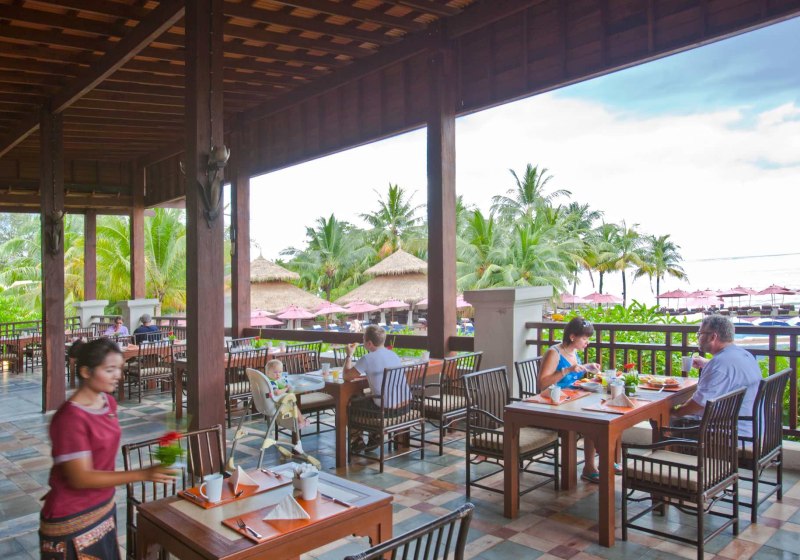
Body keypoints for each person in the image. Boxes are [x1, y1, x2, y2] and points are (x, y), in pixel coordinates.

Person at [40, 338, 174, 559]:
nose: (118, 376)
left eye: (119, 369)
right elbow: (81, 478)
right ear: (86, 372)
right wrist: (143, 474)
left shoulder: (107, 402)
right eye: (110, 370)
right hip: (73, 516)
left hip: (102, 506)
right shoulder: (70, 418)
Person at [538, 317, 614, 484]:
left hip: (573, 399)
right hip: (555, 404)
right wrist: (567, 370)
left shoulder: (573, 351)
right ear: (572, 337)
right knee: (593, 421)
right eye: (585, 338)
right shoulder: (554, 353)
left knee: (601, 414)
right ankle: (599, 462)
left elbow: (573, 373)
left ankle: (596, 464)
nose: (587, 342)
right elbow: (542, 383)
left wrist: (587, 367)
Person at [672, 314, 761, 437]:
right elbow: (729, 372)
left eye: (700, 334)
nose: (698, 338)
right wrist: (707, 364)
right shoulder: (743, 354)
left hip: (728, 434)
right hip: (750, 428)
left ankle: (665, 448)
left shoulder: (718, 365)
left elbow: (697, 404)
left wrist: (675, 413)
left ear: (713, 337)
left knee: (668, 421)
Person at [343, 325, 404, 451]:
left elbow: (346, 376)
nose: (362, 341)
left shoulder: (367, 358)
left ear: (369, 343)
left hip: (385, 410)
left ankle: (357, 440)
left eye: (363, 339)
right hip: (403, 407)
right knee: (367, 398)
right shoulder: (394, 355)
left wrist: (349, 355)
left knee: (352, 402)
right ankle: (375, 435)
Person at [264, 359, 308, 428]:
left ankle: (298, 421)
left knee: (293, 404)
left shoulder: (269, 380)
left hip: (272, 401)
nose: (278, 374)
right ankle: (302, 422)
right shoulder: (272, 382)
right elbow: (277, 392)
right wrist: (286, 389)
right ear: (268, 373)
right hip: (277, 403)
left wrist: (284, 386)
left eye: (280, 372)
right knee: (294, 405)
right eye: (275, 372)